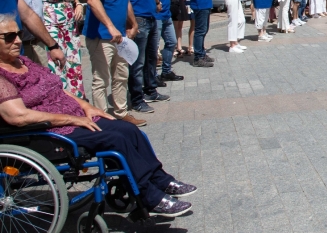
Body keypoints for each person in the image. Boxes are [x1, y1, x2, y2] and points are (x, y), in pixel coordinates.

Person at [0, 14, 196, 216]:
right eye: (8, 37)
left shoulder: (23, 62)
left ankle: (160, 180)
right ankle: (150, 197)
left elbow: (56, 89)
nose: (17, 40)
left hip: (72, 119)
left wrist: (86, 106)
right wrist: (72, 119)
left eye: (18, 34)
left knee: (128, 129)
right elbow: (18, 117)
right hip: (48, 131)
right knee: (115, 139)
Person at [83, 0, 144, 127]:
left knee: (121, 76)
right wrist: (110, 26)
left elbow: (125, 2)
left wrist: (133, 24)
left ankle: (121, 112)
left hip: (120, 38)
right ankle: (102, 118)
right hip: (101, 36)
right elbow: (93, 0)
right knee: (101, 79)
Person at [32, 0, 84, 95]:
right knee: (55, 66)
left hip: (70, 30)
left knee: (73, 66)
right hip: (51, 28)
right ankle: (58, 102)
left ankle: (76, 102)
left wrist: (79, 4)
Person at [125, 0, 168, 114]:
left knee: (151, 58)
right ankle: (136, 99)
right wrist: (132, 23)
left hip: (151, 18)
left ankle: (150, 90)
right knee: (137, 62)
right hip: (139, 20)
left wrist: (157, 2)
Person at [147, 0, 183, 83]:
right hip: (156, 15)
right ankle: (152, 76)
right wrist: (156, 2)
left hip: (166, 13)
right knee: (153, 47)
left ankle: (166, 71)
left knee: (172, 42)